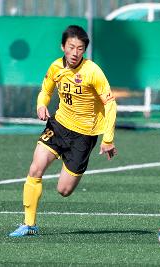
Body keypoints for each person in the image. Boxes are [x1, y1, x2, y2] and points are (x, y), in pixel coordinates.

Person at [9, 25, 117, 237]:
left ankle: (70, 171)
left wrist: (108, 138)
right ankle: (28, 224)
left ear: (84, 50)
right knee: (35, 169)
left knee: (64, 190)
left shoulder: (93, 72)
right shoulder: (56, 67)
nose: (75, 53)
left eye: (80, 48)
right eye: (71, 47)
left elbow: (110, 105)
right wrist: (41, 104)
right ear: (63, 46)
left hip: (84, 136)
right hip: (58, 126)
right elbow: (46, 90)